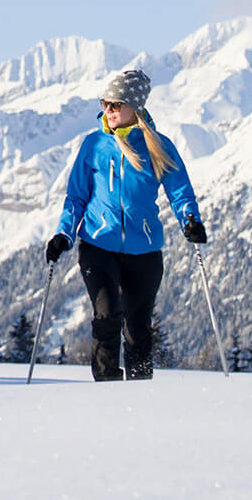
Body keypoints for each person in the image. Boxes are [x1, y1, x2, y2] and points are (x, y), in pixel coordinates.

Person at [44, 69, 206, 381]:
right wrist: (64, 233)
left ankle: (140, 390)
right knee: (106, 315)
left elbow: (180, 192)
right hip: (98, 244)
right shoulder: (94, 144)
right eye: (105, 103)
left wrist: (190, 221)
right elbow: (76, 197)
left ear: (135, 107)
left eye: (116, 104)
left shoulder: (158, 146)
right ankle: (106, 386)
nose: (109, 110)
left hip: (144, 249)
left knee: (137, 326)